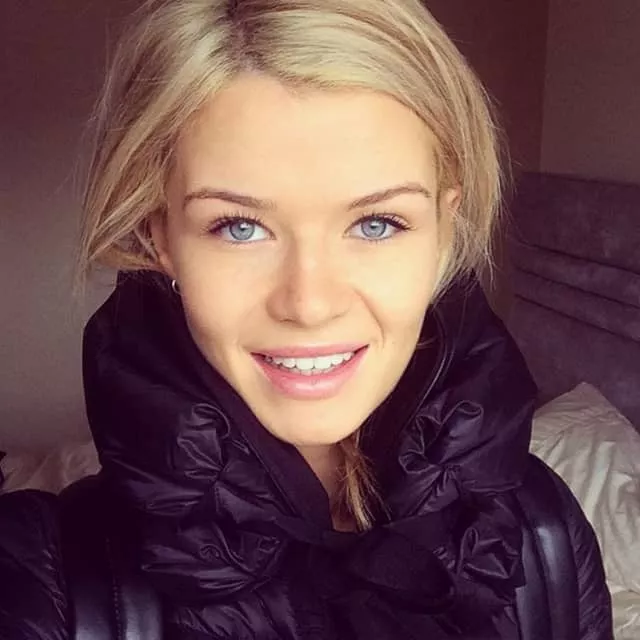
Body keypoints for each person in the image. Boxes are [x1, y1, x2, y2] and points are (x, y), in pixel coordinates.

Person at [0, 1, 612, 638]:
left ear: (442, 232)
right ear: (162, 239)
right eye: (239, 227)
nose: (310, 304)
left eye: (377, 224)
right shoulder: (42, 581)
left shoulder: (544, 538)